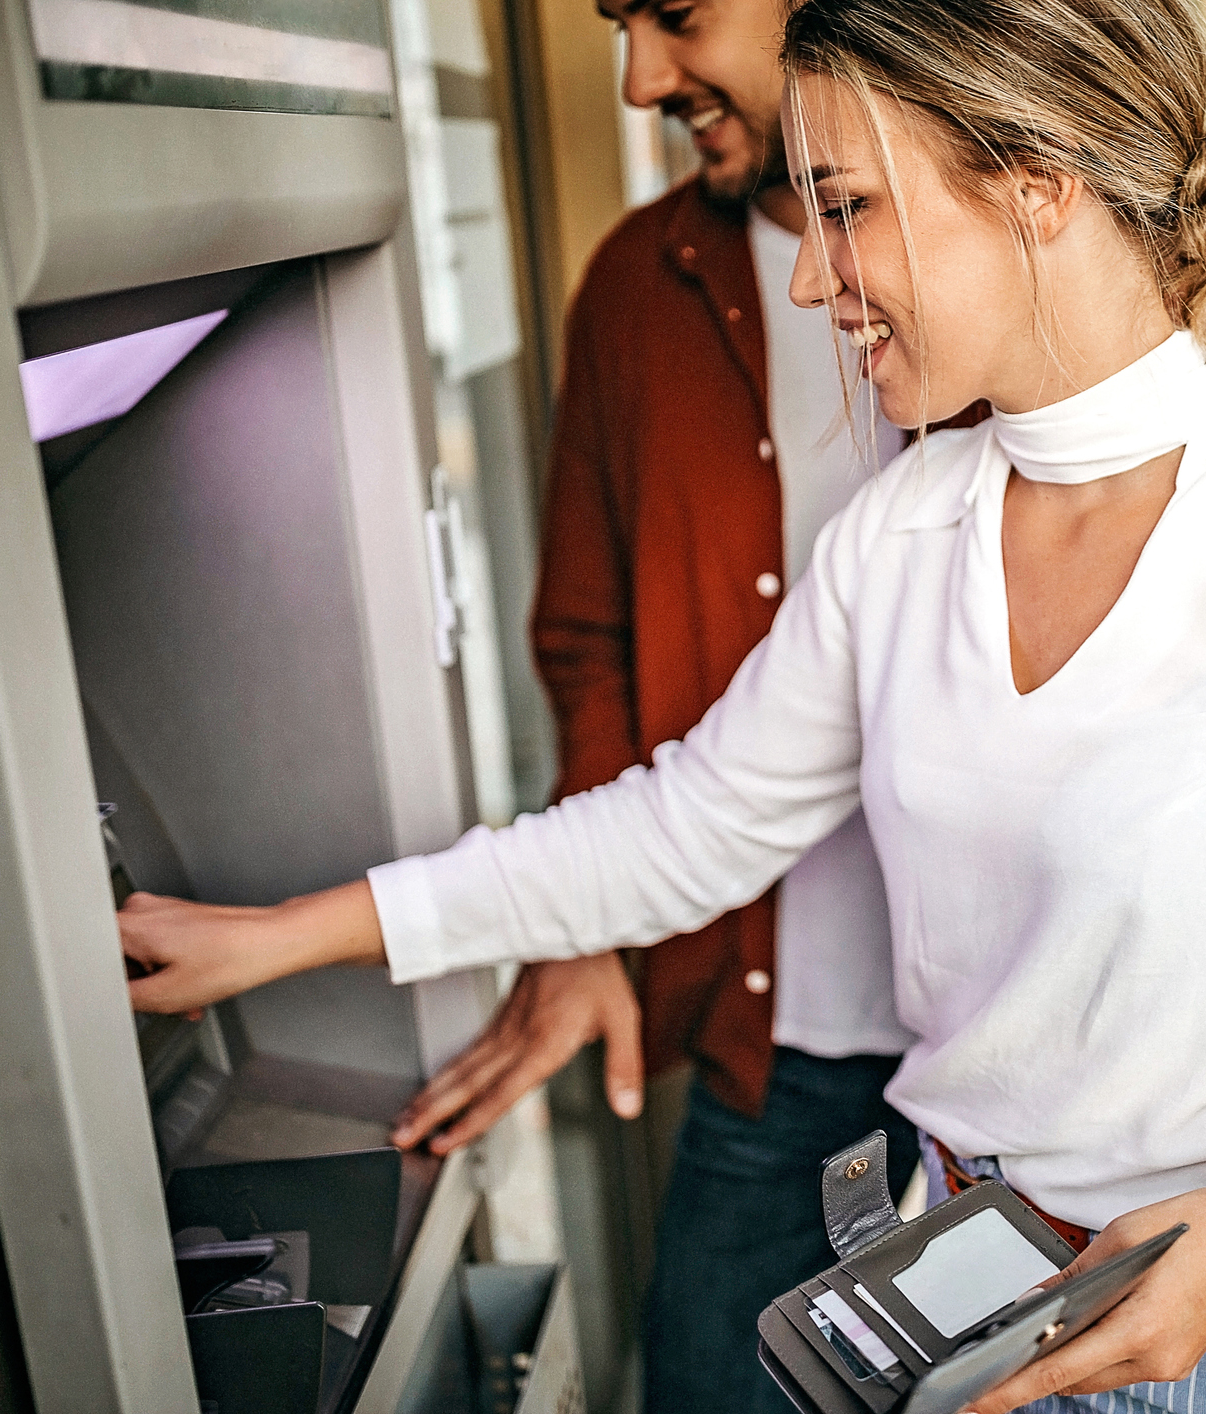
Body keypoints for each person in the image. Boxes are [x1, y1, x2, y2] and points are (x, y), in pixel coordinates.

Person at [121, 1, 1206, 1409]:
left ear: (1035, 185)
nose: (806, 270)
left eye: (845, 207)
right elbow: (683, 829)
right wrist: (274, 937)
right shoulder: (901, 536)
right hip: (949, 1287)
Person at [384, 2, 911, 1410]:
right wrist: (583, 930)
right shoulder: (637, 285)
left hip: (1015, 1073)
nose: (638, 81)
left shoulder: (1033, 298)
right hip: (772, 1041)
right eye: (620, 26)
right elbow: (587, 642)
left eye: (674, 16)